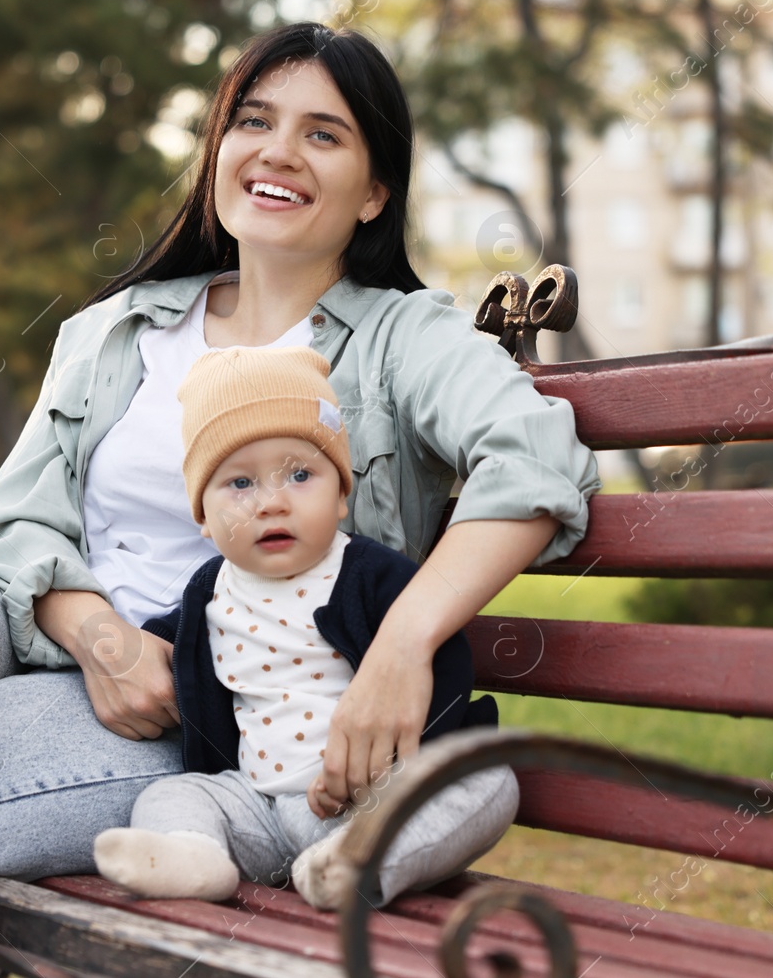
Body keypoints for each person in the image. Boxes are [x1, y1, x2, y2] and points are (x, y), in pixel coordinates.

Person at [0, 21, 601, 978]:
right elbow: (16, 532)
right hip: (58, 648)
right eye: (254, 120)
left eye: (324, 134)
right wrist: (101, 639)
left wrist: (401, 644)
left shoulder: (402, 339)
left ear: (376, 190)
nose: (279, 151)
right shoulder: (115, 330)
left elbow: (535, 462)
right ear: (219, 148)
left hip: (217, 707)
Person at [92, 345, 518, 907]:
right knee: (179, 793)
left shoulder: (368, 576)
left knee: (489, 784)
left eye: (299, 474)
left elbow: (442, 659)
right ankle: (194, 855)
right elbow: (165, 652)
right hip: (258, 808)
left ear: (342, 494)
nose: (270, 503)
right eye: (239, 484)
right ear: (202, 517)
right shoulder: (205, 595)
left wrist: (410, 766)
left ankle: (358, 863)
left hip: (371, 801)